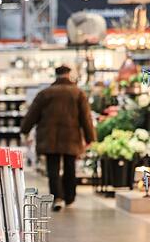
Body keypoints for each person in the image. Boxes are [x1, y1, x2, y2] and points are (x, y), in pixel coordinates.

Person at [20, 65, 96, 211]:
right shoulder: (78, 93)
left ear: (56, 75)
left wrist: (25, 129)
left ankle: (57, 198)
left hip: (50, 136)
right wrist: (89, 137)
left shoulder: (45, 93)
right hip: (71, 136)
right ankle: (70, 197)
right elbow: (86, 118)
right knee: (70, 166)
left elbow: (32, 114)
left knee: (52, 168)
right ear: (69, 74)